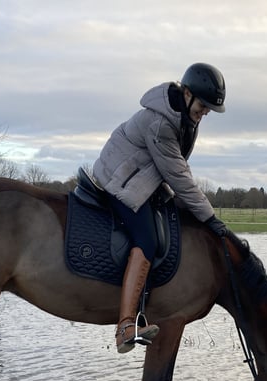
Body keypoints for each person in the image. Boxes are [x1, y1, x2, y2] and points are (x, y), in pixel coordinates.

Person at [93, 62, 229, 353]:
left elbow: (173, 172)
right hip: (119, 178)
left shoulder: (183, 119)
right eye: (203, 106)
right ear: (187, 93)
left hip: (142, 176)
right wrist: (210, 217)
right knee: (148, 240)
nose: (205, 113)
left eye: (208, 110)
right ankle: (126, 326)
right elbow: (178, 175)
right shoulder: (161, 123)